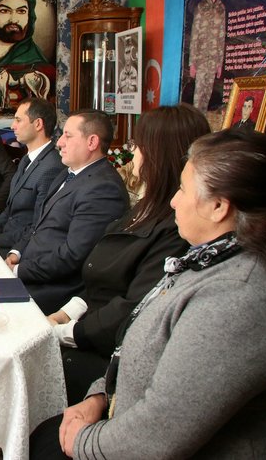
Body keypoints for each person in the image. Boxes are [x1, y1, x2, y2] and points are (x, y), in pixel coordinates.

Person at [30, 128, 266, 458]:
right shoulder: (215, 259)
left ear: (218, 206)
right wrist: (99, 396)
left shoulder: (240, 298)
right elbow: (145, 348)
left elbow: (156, 437)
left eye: (183, 189)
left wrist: (83, 442)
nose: (174, 200)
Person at [47, 104, 210, 405]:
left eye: (138, 144)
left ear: (159, 153)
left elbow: (133, 308)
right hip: (85, 325)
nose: (132, 152)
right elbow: (100, 277)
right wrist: (64, 314)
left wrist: (66, 332)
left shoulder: (178, 226)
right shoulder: (147, 207)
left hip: (102, 353)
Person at [5, 109, 128, 313]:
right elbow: (38, 225)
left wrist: (18, 270)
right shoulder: (67, 173)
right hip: (28, 268)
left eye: (68, 136)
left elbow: (72, 256)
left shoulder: (103, 189)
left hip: (51, 290)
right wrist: (17, 253)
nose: (59, 142)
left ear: (92, 142)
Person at [0, 98, 62, 257]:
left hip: (19, 249)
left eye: (18, 120)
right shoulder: (26, 159)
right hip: (5, 237)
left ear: (38, 124)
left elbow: (39, 224)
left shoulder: (52, 167)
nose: (12, 126)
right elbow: (10, 208)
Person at [189, 0, 225, 113]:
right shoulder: (201, 6)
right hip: (201, 59)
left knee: (207, 96)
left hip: (213, 61)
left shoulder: (221, 9)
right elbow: (194, 35)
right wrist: (192, 63)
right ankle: (195, 122)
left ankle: (202, 123)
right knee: (198, 96)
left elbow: (222, 37)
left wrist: (219, 64)